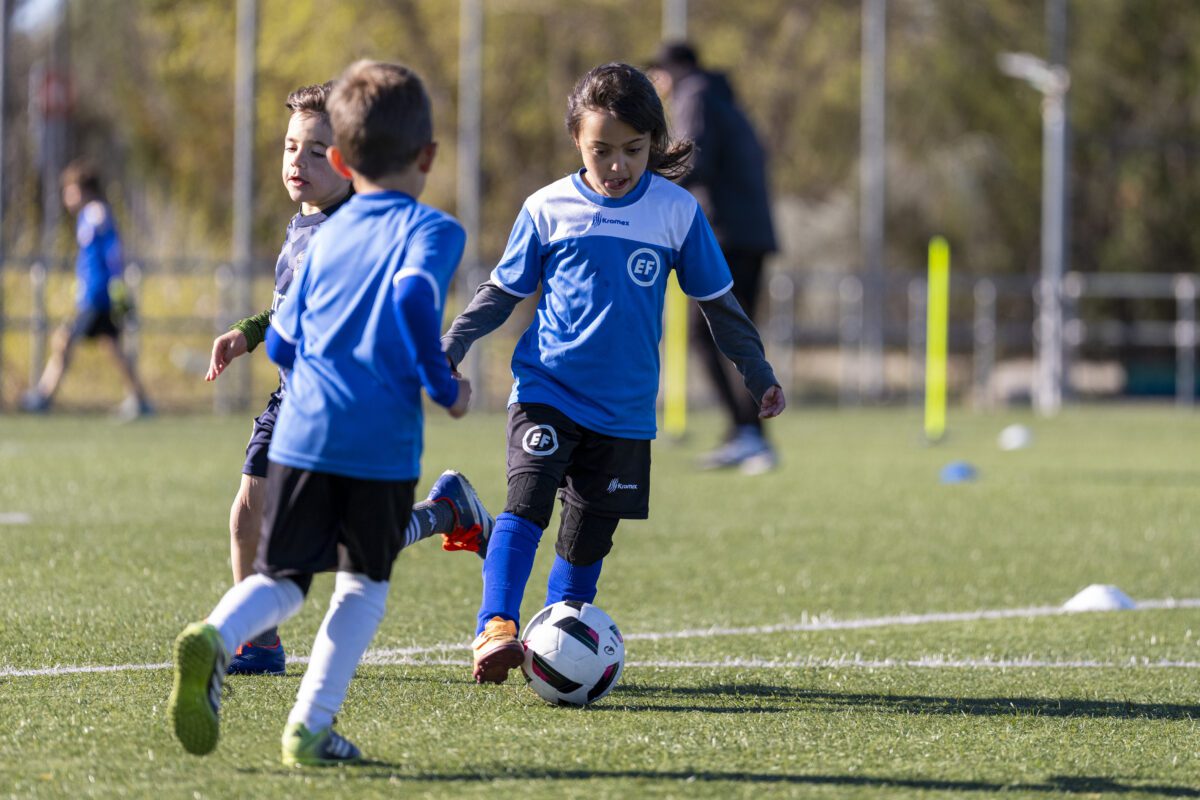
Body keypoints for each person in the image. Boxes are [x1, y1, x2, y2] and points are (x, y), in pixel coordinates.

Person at [169, 60, 475, 766]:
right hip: (376, 438)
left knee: (282, 579)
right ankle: (309, 728)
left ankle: (219, 634)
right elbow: (410, 299)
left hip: (301, 427)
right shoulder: (436, 231)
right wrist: (447, 386)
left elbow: (282, 337)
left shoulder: (321, 238)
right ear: (426, 156)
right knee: (363, 585)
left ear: (340, 158)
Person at [440, 62, 786, 685]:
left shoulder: (676, 211)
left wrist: (757, 373)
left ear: (654, 142)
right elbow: (502, 291)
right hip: (546, 388)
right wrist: (453, 344)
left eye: (632, 150)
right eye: (602, 150)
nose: (618, 165)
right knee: (526, 504)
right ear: (577, 139)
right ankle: (495, 625)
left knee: (585, 543)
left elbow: (720, 307)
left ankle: (554, 645)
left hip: (625, 412)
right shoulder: (546, 207)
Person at [648, 42, 780, 473]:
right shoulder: (719, 95)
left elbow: (692, 159)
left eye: (657, 77)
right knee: (733, 334)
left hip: (728, 233)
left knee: (714, 335)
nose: (658, 88)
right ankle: (748, 434)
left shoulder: (695, 94)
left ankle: (750, 435)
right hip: (748, 231)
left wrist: (645, 188)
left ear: (672, 69)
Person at [21, 159, 153, 419]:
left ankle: (43, 396)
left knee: (64, 340)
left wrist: (116, 286)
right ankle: (140, 399)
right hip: (94, 294)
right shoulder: (89, 215)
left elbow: (114, 251)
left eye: (69, 191)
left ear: (82, 189)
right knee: (111, 346)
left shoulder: (96, 213)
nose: (66, 197)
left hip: (96, 296)